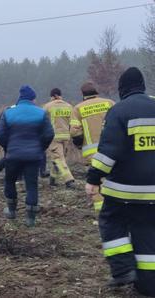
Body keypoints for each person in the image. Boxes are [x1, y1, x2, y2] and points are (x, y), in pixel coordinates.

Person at [85, 67, 155, 295]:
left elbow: (108, 153)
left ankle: (123, 270)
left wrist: (93, 178)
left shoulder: (119, 111)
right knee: (147, 235)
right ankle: (147, 287)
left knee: (110, 221)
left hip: (124, 191)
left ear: (122, 88)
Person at [0, 85, 54, 227]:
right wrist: (40, 148)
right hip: (34, 157)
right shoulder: (41, 113)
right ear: (33, 98)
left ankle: (11, 211)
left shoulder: (8, 113)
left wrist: (8, 147)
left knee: (9, 182)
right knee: (32, 185)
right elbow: (49, 134)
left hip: (13, 155)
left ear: (19, 98)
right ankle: (30, 219)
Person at [71, 81, 115, 211]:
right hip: (112, 149)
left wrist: (79, 144)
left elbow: (75, 131)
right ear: (97, 91)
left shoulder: (78, 108)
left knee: (97, 181)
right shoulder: (110, 103)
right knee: (113, 177)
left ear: (82, 94)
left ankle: (101, 210)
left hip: (92, 152)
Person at [42, 88, 75, 188]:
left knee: (58, 158)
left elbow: (42, 122)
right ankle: (52, 179)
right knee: (59, 158)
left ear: (52, 96)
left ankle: (69, 180)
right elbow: (73, 123)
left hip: (53, 137)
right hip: (66, 136)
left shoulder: (47, 106)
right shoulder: (69, 106)